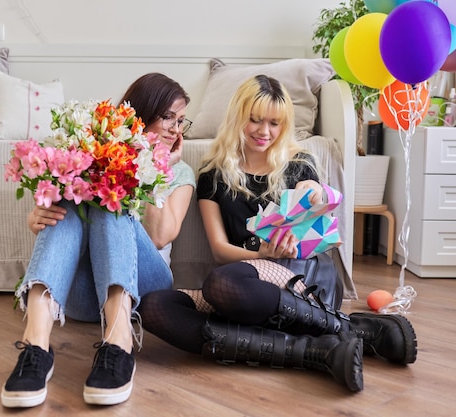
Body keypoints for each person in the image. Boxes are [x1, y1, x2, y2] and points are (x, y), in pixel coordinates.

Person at [139, 74, 417, 393]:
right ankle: (321, 351)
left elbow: (313, 192)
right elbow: (219, 249)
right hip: (248, 286)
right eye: (255, 120)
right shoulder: (212, 175)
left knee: (221, 284)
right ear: (237, 118)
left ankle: (345, 328)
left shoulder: (298, 164)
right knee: (153, 306)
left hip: (305, 280)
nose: (264, 132)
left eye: (274, 123)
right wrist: (262, 255)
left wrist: (316, 195)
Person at [1, 73, 196, 408]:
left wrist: (151, 168)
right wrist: (36, 218)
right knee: (76, 189)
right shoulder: (96, 154)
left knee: (112, 193)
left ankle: (118, 343)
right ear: (142, 113)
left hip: (145, 287)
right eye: (168, 117)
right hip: (82, 297)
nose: (175, 129)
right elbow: (54, 225)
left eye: (181, 121)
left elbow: (162, 234)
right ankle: (35, 347)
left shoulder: (181, 172)